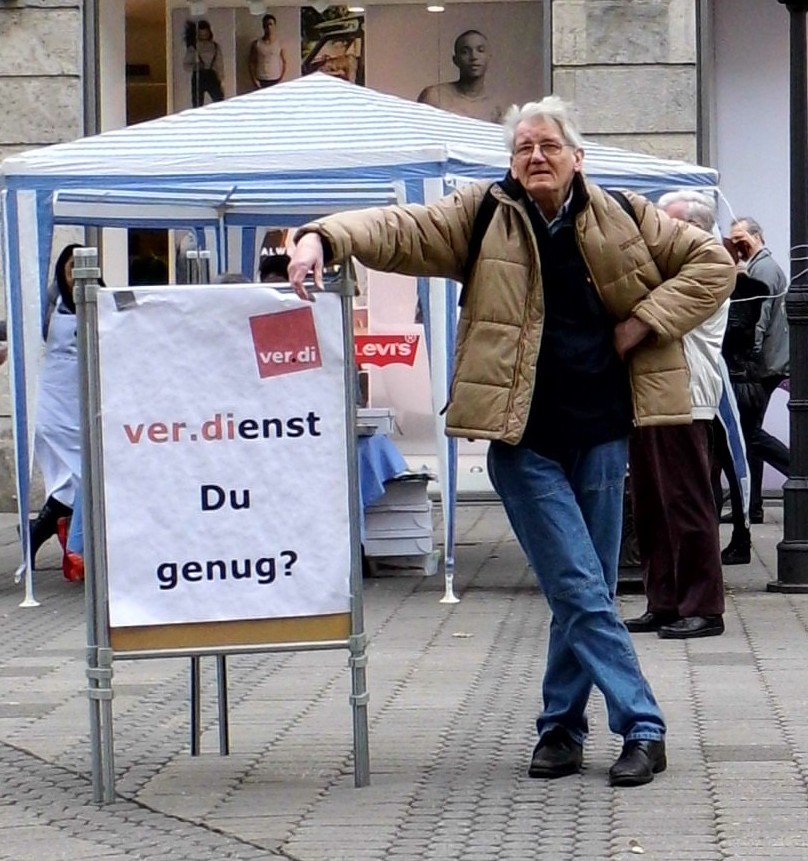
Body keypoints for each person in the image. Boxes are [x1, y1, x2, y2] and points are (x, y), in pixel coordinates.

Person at [288, 95, 735, 787]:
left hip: (602, 433)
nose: (535, 156)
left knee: (578, 589)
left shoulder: (626, 215)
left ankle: (560, 729)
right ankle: (643, 724)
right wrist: (323, 236)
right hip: (521, 439)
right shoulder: (481, 214)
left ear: (577, 156)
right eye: (523, 147)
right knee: (581, 585)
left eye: (549, 145)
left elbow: (713, 265)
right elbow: (399, 228)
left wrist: (643, 321)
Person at [624, 191, 728, 639]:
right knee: (651, 506)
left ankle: (702, 606)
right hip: (650, 399)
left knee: (686, 504)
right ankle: (664, 601)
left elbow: (654, 309)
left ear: (694, 231)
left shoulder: (705, 271)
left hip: (685, 400)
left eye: (668, 226)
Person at [728, 217, 790, 524]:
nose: (737, 244)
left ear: (757, 236)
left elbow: (758, 319)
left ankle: (798, 472)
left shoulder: (763, 269)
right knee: (749, 433)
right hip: (766, 363)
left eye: (741, 237)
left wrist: (746, 358)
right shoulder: (763, 266)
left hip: (761, 366)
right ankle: (751, 507)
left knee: (749, 433)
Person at [714, 244, 769, 565]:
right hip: (747, 379)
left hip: (732, 383)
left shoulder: (729, 291)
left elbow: (731, 333)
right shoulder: (753, 289)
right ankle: (740, 537)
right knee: (737, 462)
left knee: (728, 463)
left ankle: (739, 539)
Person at [30, 244, 81, 574]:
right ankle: (73, 547)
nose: (75, 273)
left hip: (83, 396)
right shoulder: (50, 301)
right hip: (55, 397)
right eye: (71, 266)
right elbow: (18, 326)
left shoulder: (100, 299)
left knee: (75, 480)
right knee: (80, 476)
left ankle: (34, 535)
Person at [417, 30, 503, 123]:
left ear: (489, 57)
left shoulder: (495, 108)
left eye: (480, 50)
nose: (474, 57)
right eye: (465, 52)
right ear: (455, 60)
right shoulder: (434, 96)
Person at [183, 19, 224, 108]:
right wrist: (195, 66)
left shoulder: (215, 46)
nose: (204, 36)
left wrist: (220, 79)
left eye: (205, 34)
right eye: (201, 34)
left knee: (219, 100)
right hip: (198, 75)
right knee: (197, 103)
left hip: (212, 75)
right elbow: (186, 65)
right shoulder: (193, 47)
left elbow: (219, 64)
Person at [248, 14, 287, 89]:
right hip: (261, 79)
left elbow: (284, 62)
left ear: (275, 26)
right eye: (266, 25)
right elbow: (251, 63)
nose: (269, 27)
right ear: (263, 27)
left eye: (270, 24)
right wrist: (254, 80)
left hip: (275, 78)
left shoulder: (280, 43)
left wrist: (281, 78)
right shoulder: (256, 44)